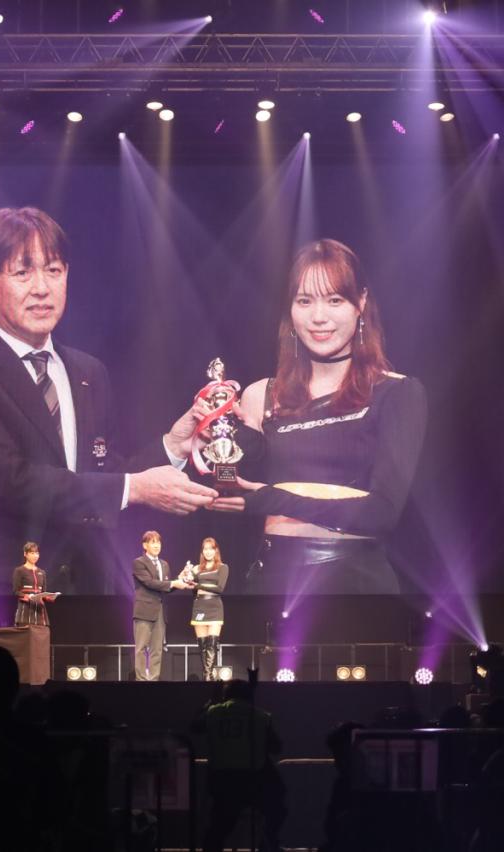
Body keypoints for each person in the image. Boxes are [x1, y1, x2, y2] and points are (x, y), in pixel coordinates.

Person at [0, 207, 217, 595]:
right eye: (22, 272)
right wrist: (136, 488)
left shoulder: (88, 372)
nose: (41, 288)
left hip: (81, 590)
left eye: (54, 270)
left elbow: (102, 472)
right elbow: (12, 482)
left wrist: (173, 447)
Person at [212, 238, 428, 594]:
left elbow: (383, 512)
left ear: (360, 303)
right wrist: (210, 441)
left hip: (355, 584)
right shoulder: (260, 395)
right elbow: (223, 490)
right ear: (290, 309)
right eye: (304, 300)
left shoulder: (397, 393)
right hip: (270, 582)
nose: (318, 317)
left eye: (334, 300)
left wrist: (272, 498)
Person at [198, 679, 286, 852]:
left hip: (221, 783)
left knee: (218, 828)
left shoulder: (213, 713)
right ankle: (269, 842)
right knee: (278, 805)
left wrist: (209, 703)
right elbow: (277, 747)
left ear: (225, 695)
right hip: (254, 783)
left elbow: (195, 727)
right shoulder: (260, 716)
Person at [131, 530, 192, 681]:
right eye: (153, 542)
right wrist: (173, 583)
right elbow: (150, 583)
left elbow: (165, 587)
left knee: (157, 649)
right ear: (145, 545)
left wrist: (180, 580)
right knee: (141, 648)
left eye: (158, 542)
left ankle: (154, 680)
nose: (156, 545)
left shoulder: (164, 564)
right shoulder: (139, 562)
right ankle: (140, 680)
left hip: (160, 611)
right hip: (144, 611)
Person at [182, 537, 228, 681]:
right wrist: (187, 575)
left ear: (216, 550)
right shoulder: (197, 568)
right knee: (202, 646)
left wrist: (198, 585)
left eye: (211, 549)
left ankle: (208, 677)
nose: (208, 552)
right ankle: (206, 675)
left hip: (214, 607)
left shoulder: (222, 567)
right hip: (199, 607)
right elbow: (191, 587)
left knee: (212, 644)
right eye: (205, 549)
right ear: (202, 551)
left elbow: (220, 588)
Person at [11, 541, 54, 627]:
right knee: (26, 633)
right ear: (25, 554)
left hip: (40, 612)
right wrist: (28, 596)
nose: (35, 556)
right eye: (32, 553)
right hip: (25, 610)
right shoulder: (19, 571)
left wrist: (49, 597)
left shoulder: (42, 572)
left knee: (41, 633)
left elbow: (43, 592)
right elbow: (16, 591)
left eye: (37, 553)